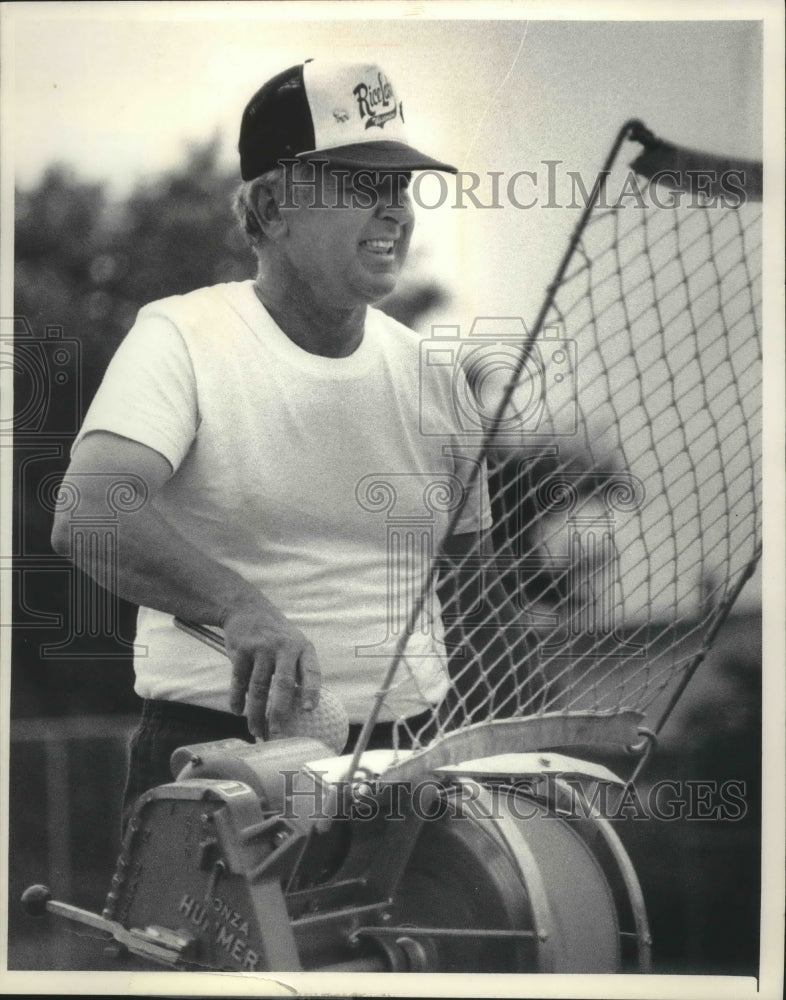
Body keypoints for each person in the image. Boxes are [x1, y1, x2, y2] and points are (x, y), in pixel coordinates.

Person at [52, 58, 517, 821]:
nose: (395, 210)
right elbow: (89, 513)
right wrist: (241, 607)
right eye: (362, 185)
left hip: (410, 759)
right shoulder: (181, 337)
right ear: (271, 207)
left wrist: (495, 753)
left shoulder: (433, 376)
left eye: (400, 188)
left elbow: (477, 590)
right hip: (222, 755)